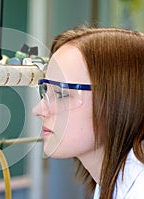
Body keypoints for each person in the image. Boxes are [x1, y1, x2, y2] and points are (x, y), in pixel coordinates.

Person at [32, 27, 144, 199]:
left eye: (62, 94)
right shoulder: (111, 183)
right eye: (46, 90)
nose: (38, 110)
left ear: (117, 100)